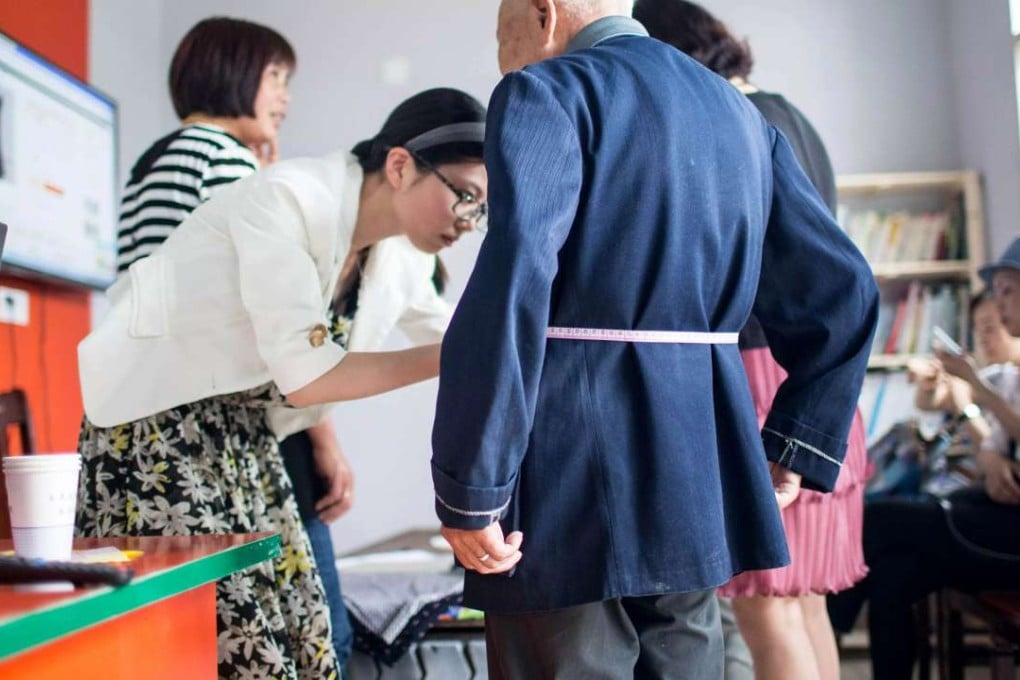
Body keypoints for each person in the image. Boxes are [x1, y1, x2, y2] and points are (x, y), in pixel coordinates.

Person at [429, 1, 878, 678]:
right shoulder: (737, 113)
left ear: (542, 13)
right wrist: (797, 441)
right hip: (699, 472)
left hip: (565, 472)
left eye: (501, 33)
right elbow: (845, 291)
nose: (502, 54)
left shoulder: (545, 91)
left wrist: (472, 487)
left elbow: (513, 287)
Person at [76, 87, 488, 679]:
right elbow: (308, 377)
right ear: (400, 166)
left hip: (243, 438)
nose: (468, 223)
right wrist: (458, 355)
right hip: (152, 430)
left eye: (481, 210)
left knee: (306, 638)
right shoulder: (287, 199)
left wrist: (513, 343)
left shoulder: (399, 255)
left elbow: (458, 334)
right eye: (466, 198)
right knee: (224, 644)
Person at [632, 3, 868, 678]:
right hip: (823, 386)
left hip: (764, 378)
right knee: (806, 605)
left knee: (768, 610)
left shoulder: (724, 124)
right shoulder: (789, 113)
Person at [828, 238, 1020, 680]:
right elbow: (993, 439)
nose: (1000, 302)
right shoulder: (1009, 376)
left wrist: (974, 388)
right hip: (996, 514)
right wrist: (991, 458)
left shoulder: (996, 379)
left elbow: (996, 418)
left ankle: (821, 636)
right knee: (893, 576)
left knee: (877, 520)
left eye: (1008, 291)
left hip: (1012, 534)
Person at [116, 16, 295, 274]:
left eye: (286, 81)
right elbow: (265, 273)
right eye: (274, 76)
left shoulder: (152, 158)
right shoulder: (224, 154)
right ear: (230, 72)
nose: (285, 96)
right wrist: (265, 189)